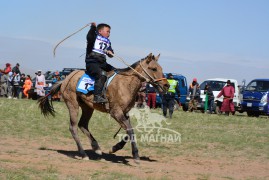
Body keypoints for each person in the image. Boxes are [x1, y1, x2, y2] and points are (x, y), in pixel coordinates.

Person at [85, 22, 115, 103]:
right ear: (100, 31)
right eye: (107, 31)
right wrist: (93, 27)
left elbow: (111, 53)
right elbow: (89, 37)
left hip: (103, 63)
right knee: (102, 74)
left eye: (109, 32)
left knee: (117, 72)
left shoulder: (108, 41)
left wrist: (110, 53)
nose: (109, 33)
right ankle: (97, 96)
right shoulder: (94, 37)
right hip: (92, 63)